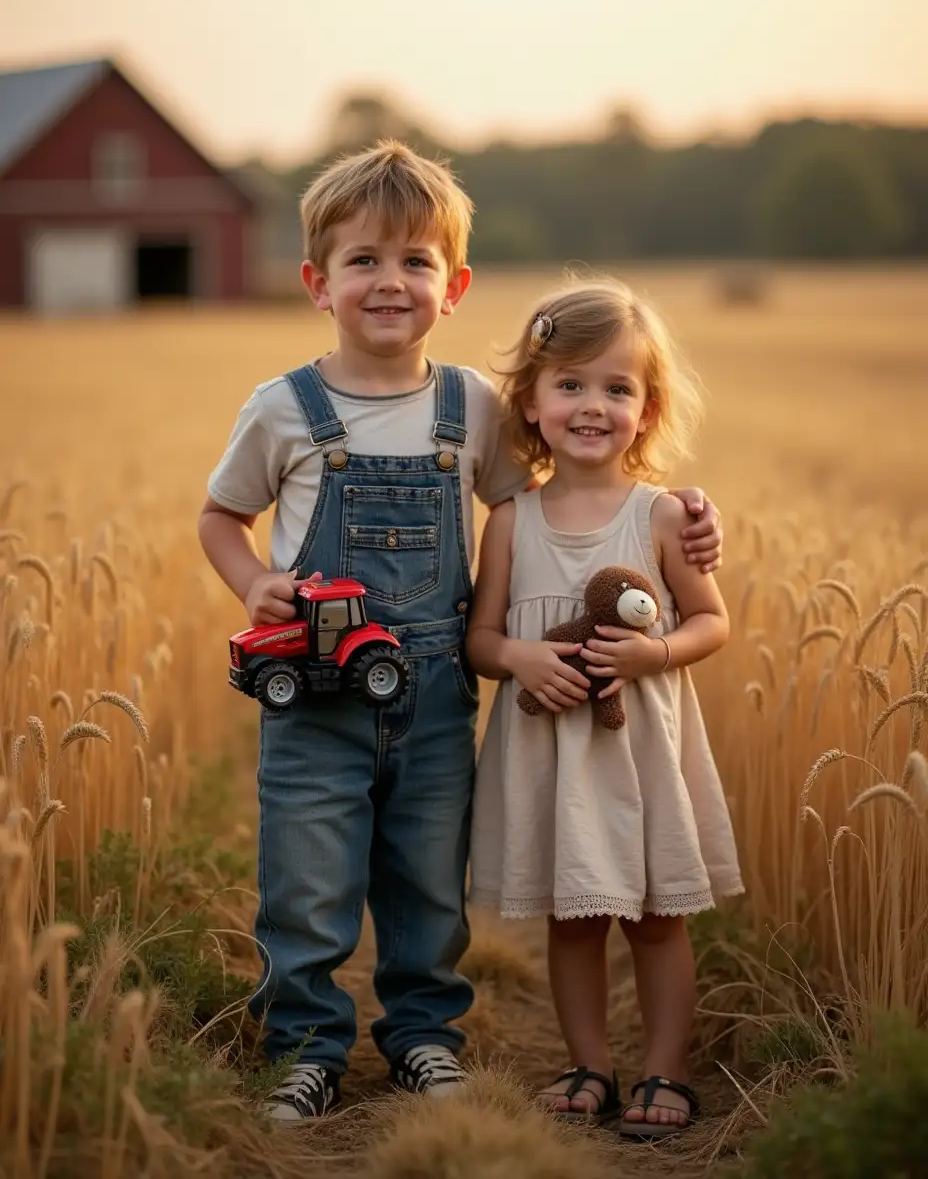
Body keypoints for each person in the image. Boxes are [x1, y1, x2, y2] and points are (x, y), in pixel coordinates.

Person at [197, 141, 724, 1120]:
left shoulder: (472, 407)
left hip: (435, 695)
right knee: (306, 881)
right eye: (363, 261)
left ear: (454, 286)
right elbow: (218, 517)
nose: (389, 281)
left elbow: (566, 502)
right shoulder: (283, 408)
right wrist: (255, 580)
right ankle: (304, 1047)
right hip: (315, 694)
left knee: (425, 881)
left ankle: (423, 1037)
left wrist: (685, 516)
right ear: (317, 281)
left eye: (414, 262)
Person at [466, 279, 743, 1140]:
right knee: (575, 918)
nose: (594, 406)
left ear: (647, 409)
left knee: (657, 920)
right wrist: (518, 656)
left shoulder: (662, 516)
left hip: (640, 757)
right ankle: (589, 1063)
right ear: (533, 403)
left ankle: (665, 1069)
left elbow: (711, 621)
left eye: (618, 389)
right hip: (552, 757)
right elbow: (478, 638)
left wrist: (652, 652)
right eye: (572, 385)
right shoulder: (510, 520)